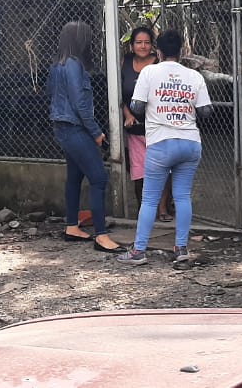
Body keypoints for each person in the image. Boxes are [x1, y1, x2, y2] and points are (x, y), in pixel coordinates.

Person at [117, 29, 213, 266]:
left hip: (161, 143)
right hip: (190, 143)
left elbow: (137, 107)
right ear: (181, 51)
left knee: (150, 199)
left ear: (158, 51)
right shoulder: (194, 76)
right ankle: (181, 249)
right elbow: (206, 111)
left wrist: (158, 102)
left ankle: (139, 251)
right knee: (182, 196)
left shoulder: (150, 72)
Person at [49, 21, 123, 253]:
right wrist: (96, 132)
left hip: (63, 127)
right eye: (88, 38)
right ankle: (101, 236)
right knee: (99, 178)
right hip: (75, 128)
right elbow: (80, 103)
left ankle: (72, 226)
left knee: (74, 177)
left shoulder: (57, 64)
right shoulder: (73, 64)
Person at [121, 26, 171, 223]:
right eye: (138, 42)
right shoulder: (125, 62)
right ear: (132, 45)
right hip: (135, 129)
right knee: (139, 171)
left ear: (153, 45)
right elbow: (119, 94)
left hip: (158, 128)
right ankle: (144, 209)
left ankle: (163, 208)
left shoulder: (160, 64)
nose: (142, 46)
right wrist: (127, 115)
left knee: (163, 170)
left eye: (147, 42)